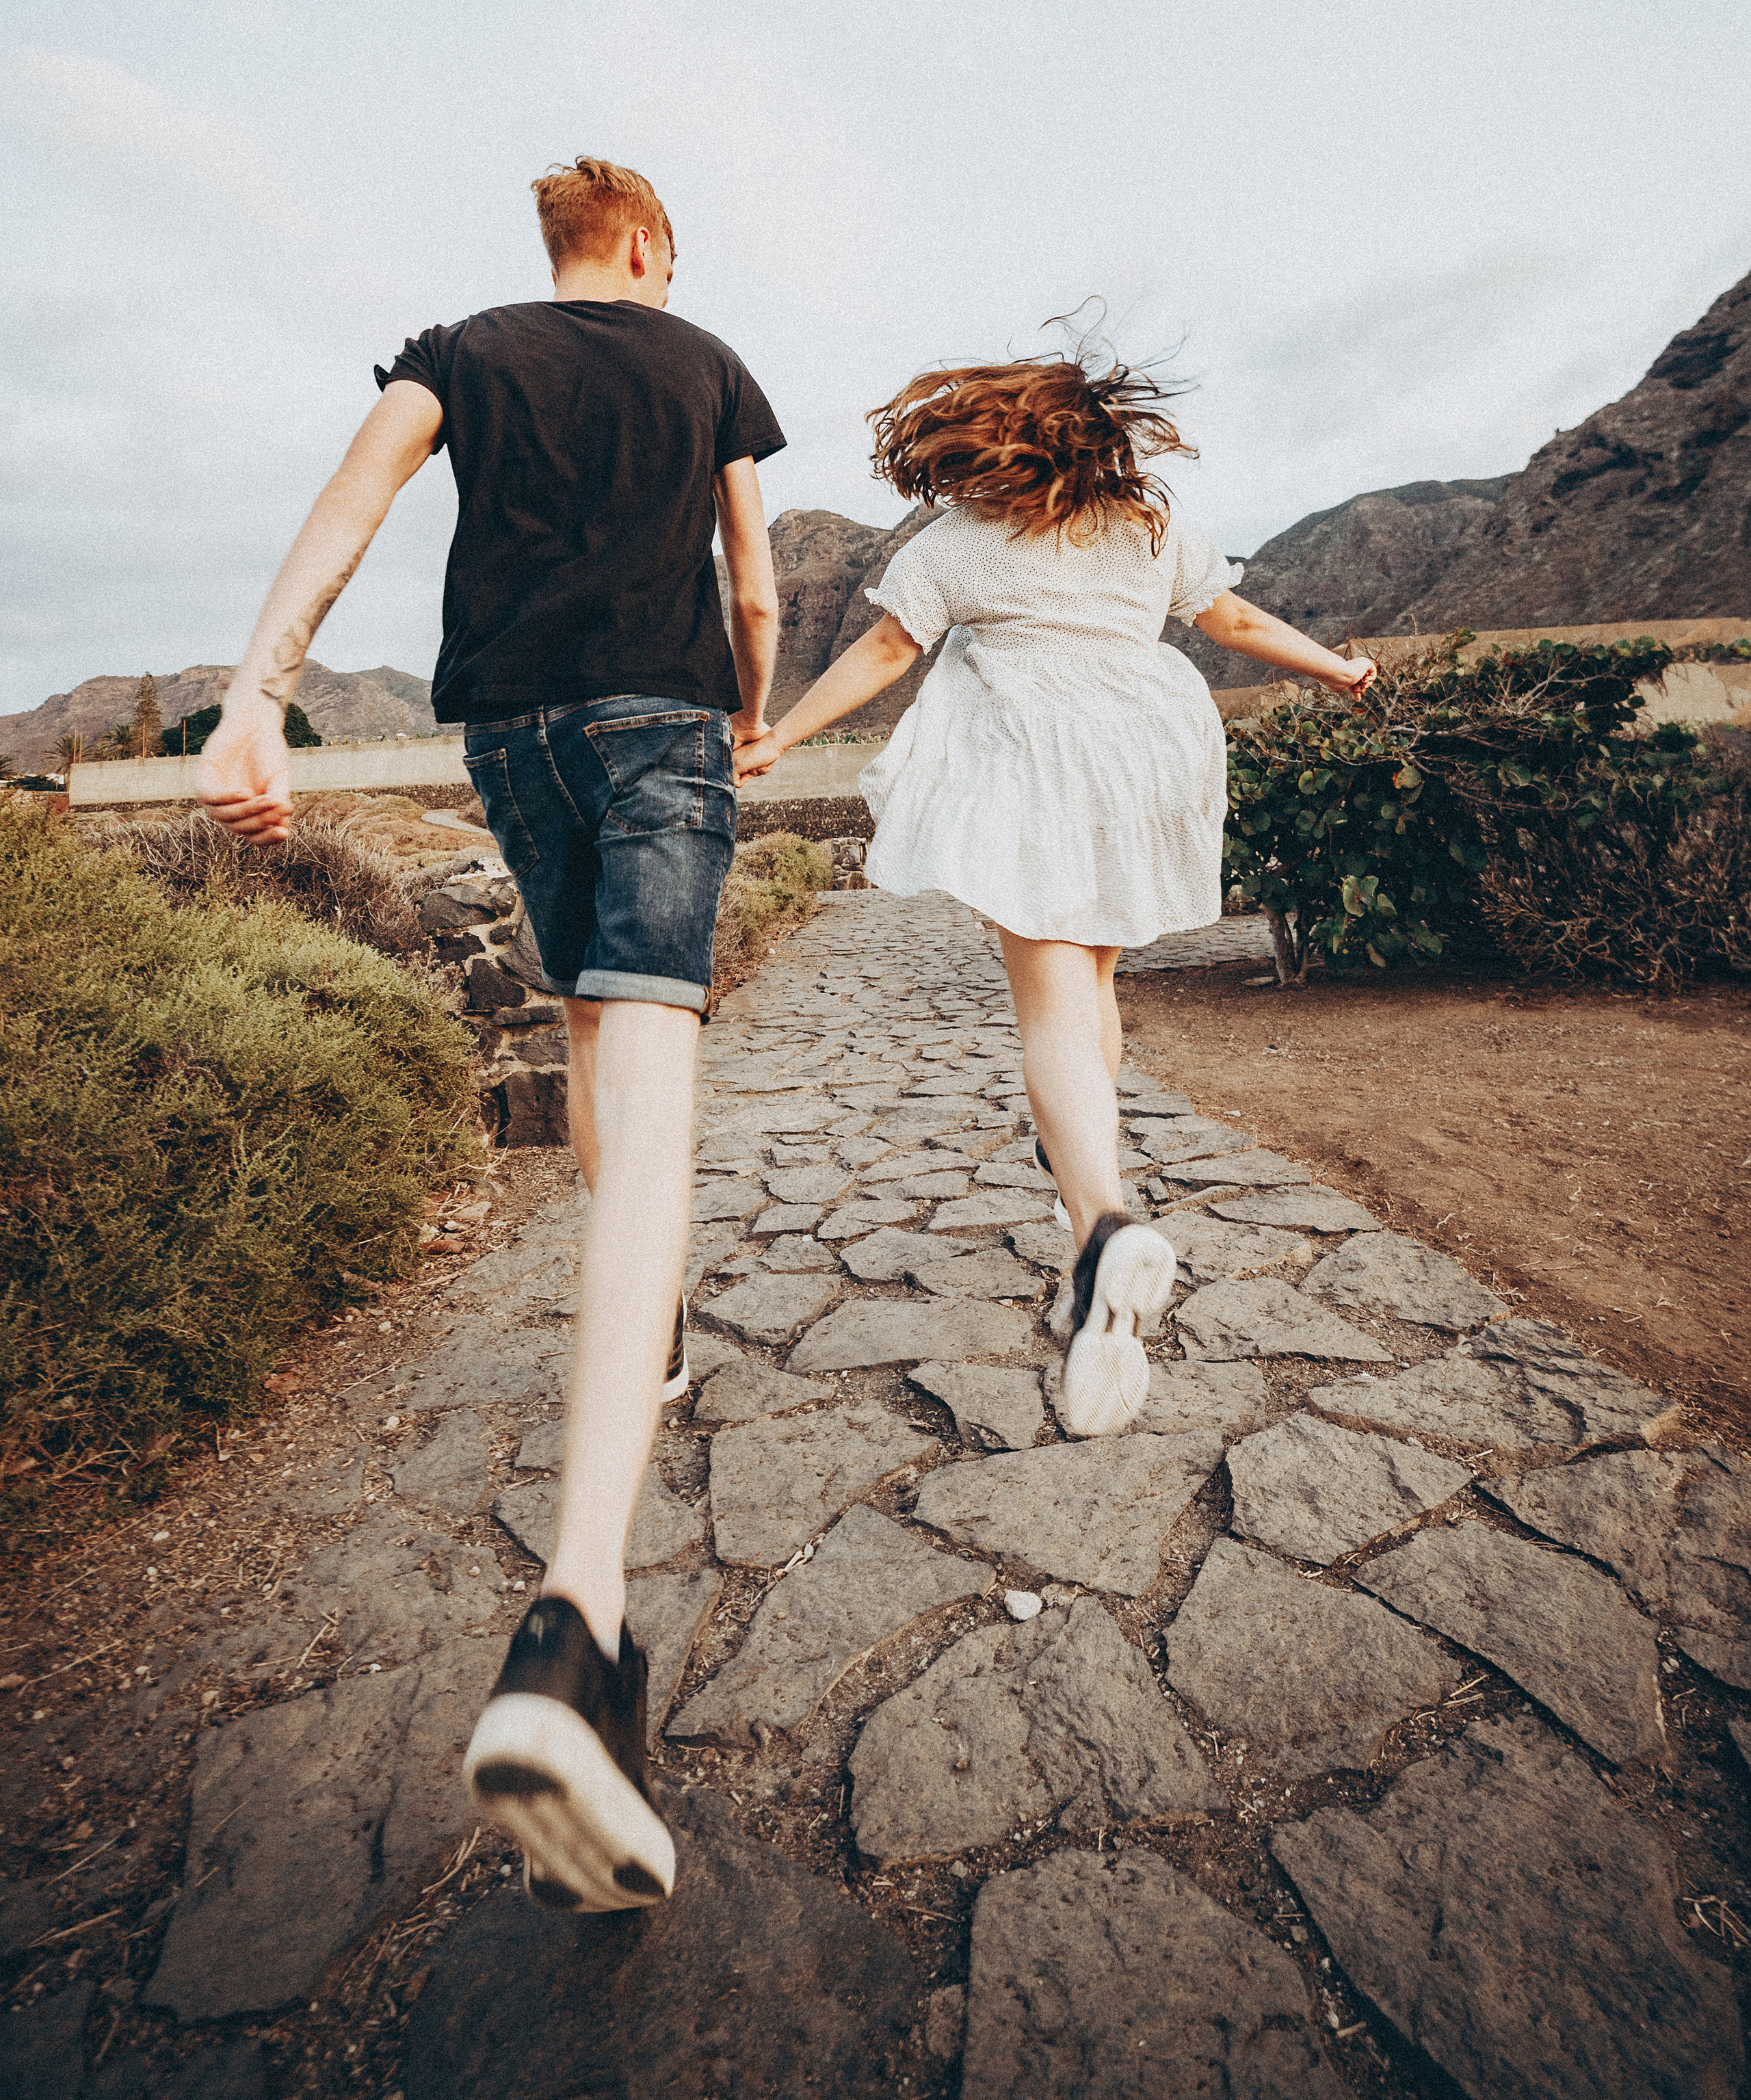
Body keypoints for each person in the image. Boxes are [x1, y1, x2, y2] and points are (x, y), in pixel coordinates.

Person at [196, 156, 784, 1914]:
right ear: (651, 247)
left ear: (555, 247)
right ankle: (576, 1621)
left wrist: (255, 697)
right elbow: (753, 581)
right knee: (655, 1071)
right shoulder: (706, 363)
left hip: (514, 734)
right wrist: (751, 712)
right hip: (663, 721)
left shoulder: (459, 347)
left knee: (591, 1023)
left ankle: (641, 1314)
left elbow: (351, 501)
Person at [735, 344, 1373, 1432]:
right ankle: (1086, 1203)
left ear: (998, 442)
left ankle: (1103, 1228)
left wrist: (779, 734)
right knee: (1095, 984)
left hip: (1036, 760)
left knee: (1051, 1009)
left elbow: (887, 651)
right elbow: (1234, 623)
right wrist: (1341, 669)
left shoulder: (962, 541)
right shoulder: (1150, 527)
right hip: (1146, 756)